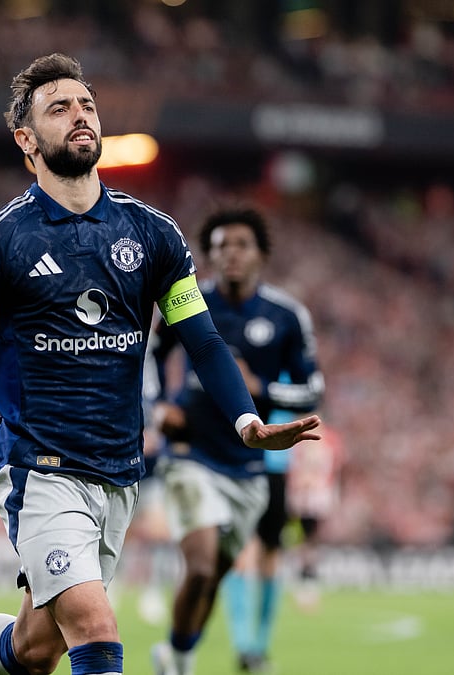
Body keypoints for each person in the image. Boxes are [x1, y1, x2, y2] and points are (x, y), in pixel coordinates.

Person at [0, 53, 321, 675]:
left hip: (119, 471)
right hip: (39, 468)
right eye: (59, 108)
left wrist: (247, 420)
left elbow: (202, 342)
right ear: (27, 141)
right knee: (95, 627)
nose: (79, 115)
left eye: (86, 104)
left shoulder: (154, 236)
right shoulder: (1, 240)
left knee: (35, 648)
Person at [146, 207, 323, 675]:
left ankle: (175, 650)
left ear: (261, 253)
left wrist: (262, 391)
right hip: (190, 454)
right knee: (201, 567)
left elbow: (313, 389)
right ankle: (181, 663)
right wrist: (158, 404)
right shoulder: (189, 301)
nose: (230, 255)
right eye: (221, 246)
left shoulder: (287, 316)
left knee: (214, 576)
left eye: (241, 244)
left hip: (250, 465)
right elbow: (151, 354)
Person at [285, 422, 345, 613]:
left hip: (313, 496)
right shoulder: (315, 439)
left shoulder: (327, 439)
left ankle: (307, 583)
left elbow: (333, 467)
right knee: (305, 541)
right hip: (305, 496)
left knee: (308, 541)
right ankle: (306, 583)